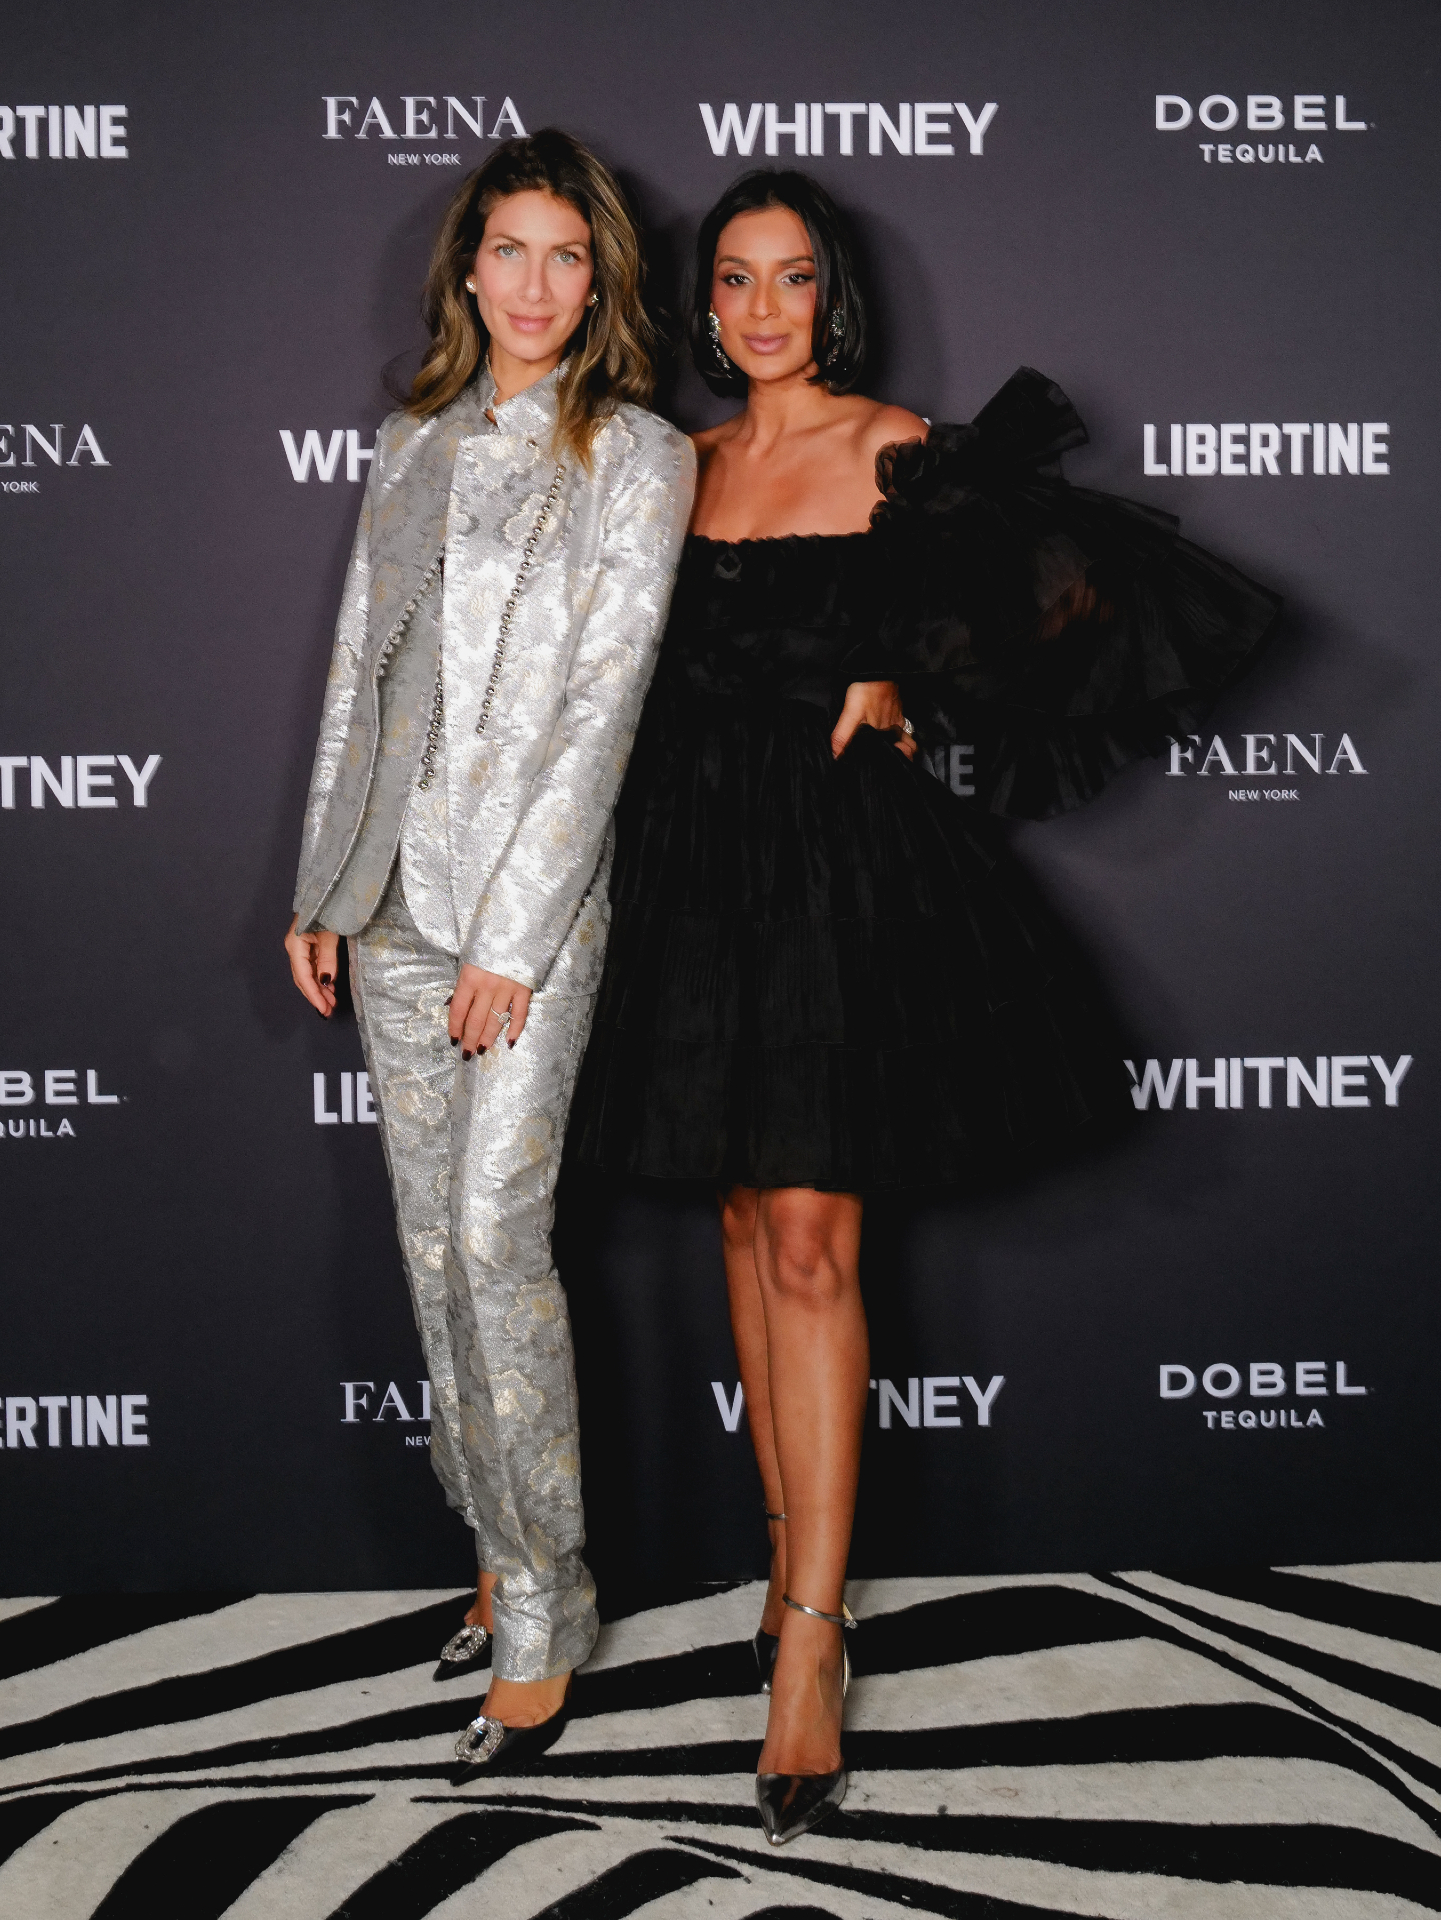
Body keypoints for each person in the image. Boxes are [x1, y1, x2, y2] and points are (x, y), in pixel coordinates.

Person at [572, 170, 1278, 1844]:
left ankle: (815, 1641)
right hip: (685, 872)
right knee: (744, 1217)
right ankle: (782, 1570)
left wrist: (911, 662)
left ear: (834, 296)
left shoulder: (903, 451)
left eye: (792, 278)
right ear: (703, 304)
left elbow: (1081, 592)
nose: (762, 310)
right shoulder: (671, 465)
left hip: (841, 878)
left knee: (814, 1237)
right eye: (734, 281)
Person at [286, 130, 695, 1783]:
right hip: (390, 907)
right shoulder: (411, 445)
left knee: (494, 1244)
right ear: (469, 269)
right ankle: (495, 1547)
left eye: (565, 256)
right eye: (509, 251)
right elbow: (358, 678)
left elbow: (605, 708)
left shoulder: (638, 456)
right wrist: (324, 888)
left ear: (600, 283)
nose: (535, 284)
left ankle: (547, 1604)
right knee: (429, 1257)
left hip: (523, 920)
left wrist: (515, 938)